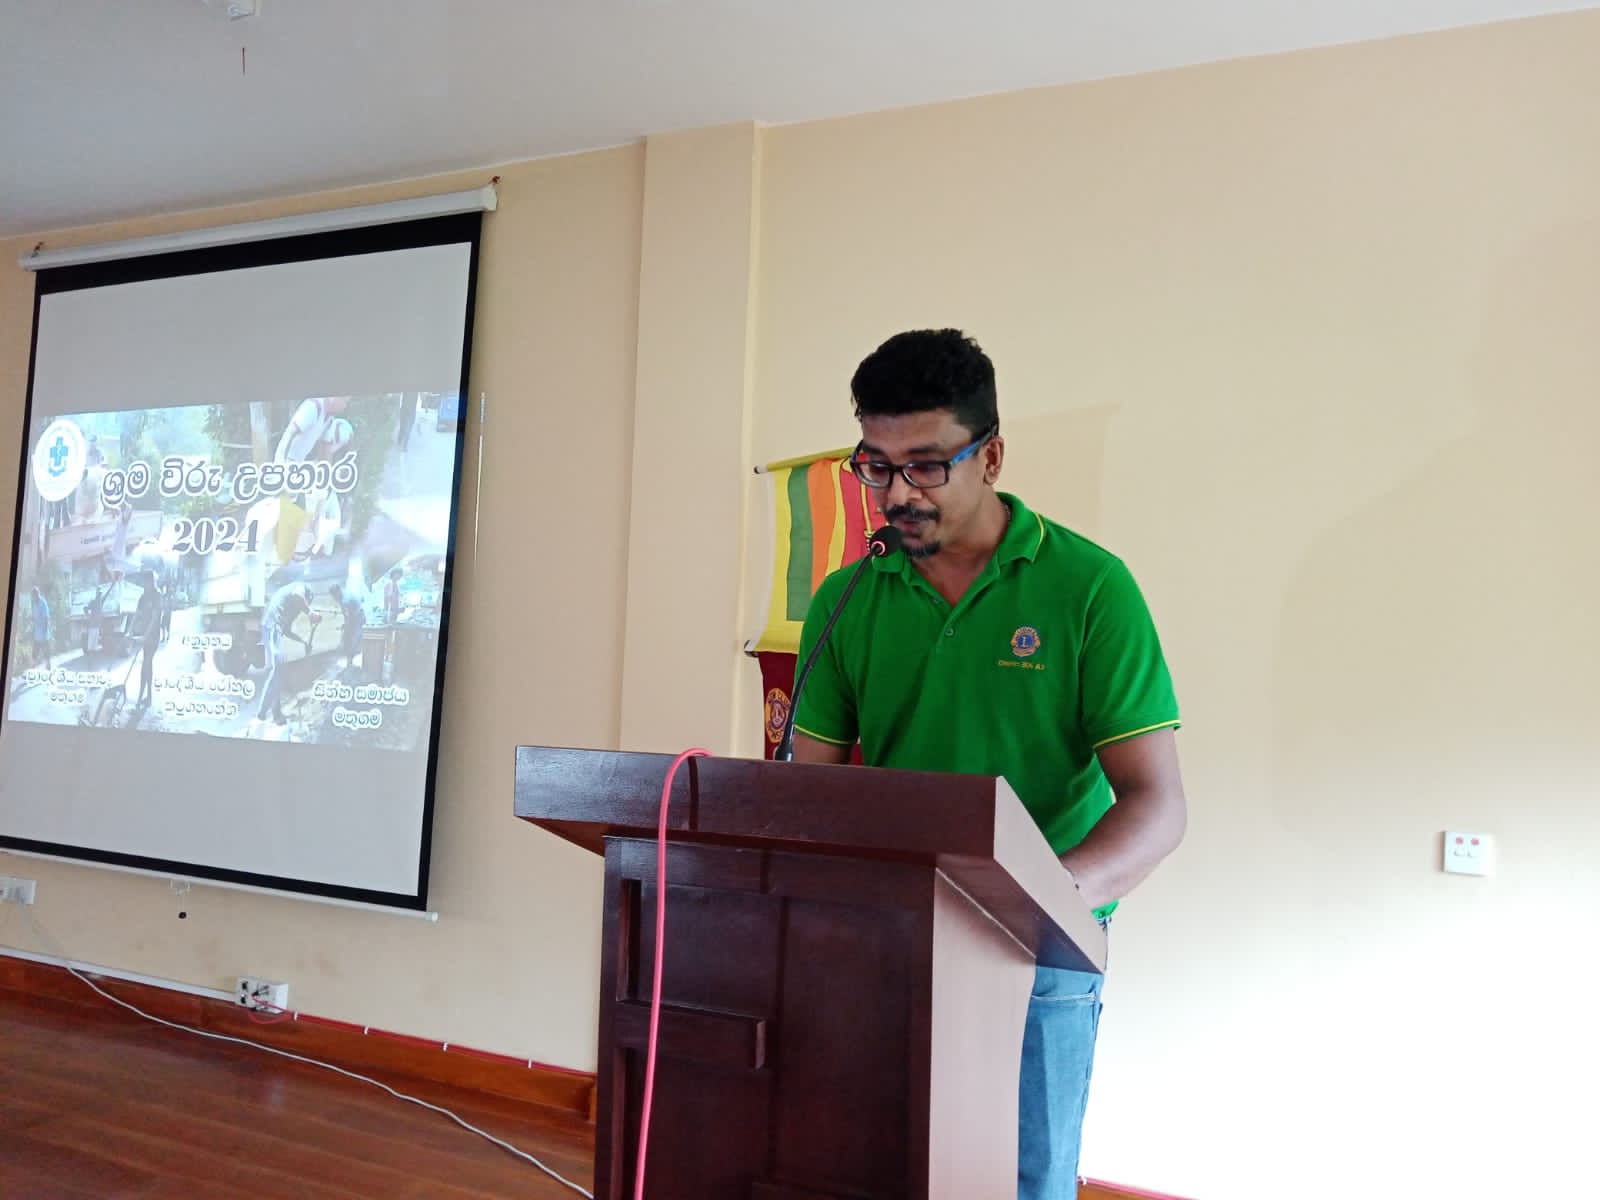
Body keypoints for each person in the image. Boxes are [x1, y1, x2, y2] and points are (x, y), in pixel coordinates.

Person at [788, 329, 1189, 1199]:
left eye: (926, 465)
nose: (897, 493)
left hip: (1038, 948)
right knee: (879, 1164)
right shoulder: (847, 595)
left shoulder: (1088, 587)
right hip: (886, 935)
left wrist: (1033, 903)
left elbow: (1156, 807)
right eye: (877, 465)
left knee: (1021, 1181)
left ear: (992, 454)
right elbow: (807, 792)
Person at [256, 581, 319, 724]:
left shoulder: (292, 608)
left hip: (274, 629)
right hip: (271, 625)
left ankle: (276, 713)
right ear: (307, 597)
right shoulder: (300, 587)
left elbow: (287, 631)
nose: (303, 607)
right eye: (307, 602)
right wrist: (310, 612)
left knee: (276, 672)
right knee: (277, 669)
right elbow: (298, 595)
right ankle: (260, 715)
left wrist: (304, 641)